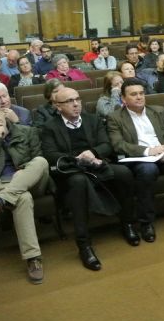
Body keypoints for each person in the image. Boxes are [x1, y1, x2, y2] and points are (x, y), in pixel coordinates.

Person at [42, 88, 136, 271]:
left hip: (96, 165)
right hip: (72, 171)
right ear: (58, 106)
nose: (76, 104)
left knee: (123, 173)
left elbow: (106, 145)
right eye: (69, 101)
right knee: (79, 183)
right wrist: (78, 159)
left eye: (77, 99)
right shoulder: (50, 127)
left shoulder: (92, 120)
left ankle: (128, 223)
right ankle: (84, 244)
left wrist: (93, 153)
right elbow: (51, 155)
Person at [107, 78, 164, 237]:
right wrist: (148, 151)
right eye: (134, 94)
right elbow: (118, 144)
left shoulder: (157, 110)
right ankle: (146, 222)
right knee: (148, 170)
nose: (139, 97)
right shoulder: (115, 117)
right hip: (140, 158)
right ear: (123, 98)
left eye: (142, 93)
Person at [0, 97, 49, 284]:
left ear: (3, 110)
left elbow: (38, 160)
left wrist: (23, 172)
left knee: (41, 162)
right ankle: (33, 258)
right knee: (22, 198)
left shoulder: (26, 131)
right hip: (3, 183)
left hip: (32, 179)